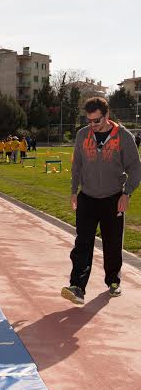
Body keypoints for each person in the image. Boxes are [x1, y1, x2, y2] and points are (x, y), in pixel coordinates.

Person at [62, 97, 141, 305]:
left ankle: (113, 280)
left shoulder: (123, 136)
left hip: (113, 198)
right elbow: (77, 165)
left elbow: (135, 167)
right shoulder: (82, 135)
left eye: (96, 120)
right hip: (87, 197)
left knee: (112, 243)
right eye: (89, 120)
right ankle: (77, 286)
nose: (92, 125)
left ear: (107, 116)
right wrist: (73, 190)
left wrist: (127, 193)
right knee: (82, 242)